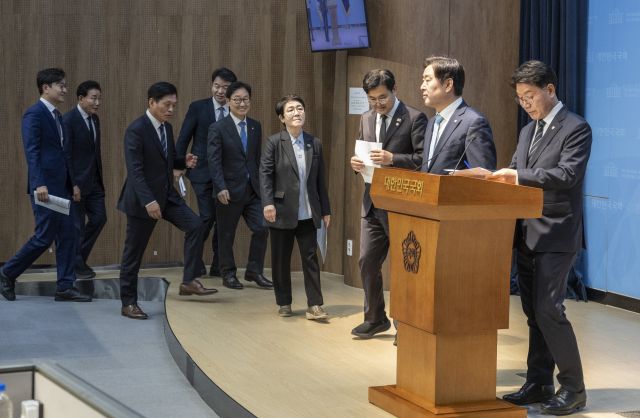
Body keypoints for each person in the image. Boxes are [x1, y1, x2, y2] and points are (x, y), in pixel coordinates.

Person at [492, 60, 590, 415]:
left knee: (550, 310)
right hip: (526, 232)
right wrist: (494, 177)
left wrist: (517, 176)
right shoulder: (527, 131)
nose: (525, 103)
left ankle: (574, 389)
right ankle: (539, 382)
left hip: (556, 233)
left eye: (530, 96)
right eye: (520, 98)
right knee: (533, 312)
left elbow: (567, 174)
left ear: (550, 90)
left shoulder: (576, 127)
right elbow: (516, 169)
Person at [117, 82, 216, 320]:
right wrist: (149, 201)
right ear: (151, 102)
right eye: (166, 104)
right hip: (144, 200)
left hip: (166, 195)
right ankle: (128, 303)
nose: (171, 109)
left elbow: (168, 159)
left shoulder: (166, 128)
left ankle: (189, 280)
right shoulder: (136, 130)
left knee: (196, 225)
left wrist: (183, 161)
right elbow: (136, 171)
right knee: (134, 253)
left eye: (174, 105)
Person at [0, 68, 91, 302]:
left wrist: (73, 184)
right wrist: (39, 183)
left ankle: (65, 287)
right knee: (44, 236)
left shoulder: (58, 116)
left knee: (68, 234)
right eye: (61, 85)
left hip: (61, 188)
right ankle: (7, 273)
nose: (65, 90)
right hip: (45, 189)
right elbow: (32, 151)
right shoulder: (34, 114)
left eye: (65, 85)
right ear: (45, 87)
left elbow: (64, 153)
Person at [349, 69, 427, 339]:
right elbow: (363, 154)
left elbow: (423, 160)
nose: (377, 104)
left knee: (405, 268)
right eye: (372, 99)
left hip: (402, 204)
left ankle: (405, 326)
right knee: (367, 261)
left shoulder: (415, 118)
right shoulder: (366, 117)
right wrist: (356, 164)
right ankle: (375, 318)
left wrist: (393, 158)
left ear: (395, 90)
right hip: (372, 202)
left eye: (382, 97)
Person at [260, 95, 331, 320]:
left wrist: (325, 209)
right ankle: (284, 302)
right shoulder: (274, 142)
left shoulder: (314, 142)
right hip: (281, 210)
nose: (297, 113)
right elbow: (265, 174)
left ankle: (315, 305)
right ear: (282, 118)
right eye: (290, 110)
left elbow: (320, 179)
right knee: (281, 260)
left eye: (300, 108)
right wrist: (268, 203)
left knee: (310, 259)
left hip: (308, 212)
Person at [207, 81, 272, 290]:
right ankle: (228, 274)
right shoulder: (218, 128)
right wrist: (220, 187)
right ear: (228, 101)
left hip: (252, 190)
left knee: (262, 227)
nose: (242, 104)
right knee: (226, 235)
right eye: (237, 100)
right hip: (228, 191)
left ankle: (254, 271)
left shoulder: (255, 126)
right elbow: (214, 161)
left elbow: (256, 158)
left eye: (245, 99)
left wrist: (263, 187)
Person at [175, 67, 237, 278]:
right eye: (216, 86)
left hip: (227, 176)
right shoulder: (198, 107)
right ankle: (194, 260)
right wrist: (178, 164)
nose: (220, 91)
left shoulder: (236, 110)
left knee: (223, 221)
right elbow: (184, 137)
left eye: (225, 87)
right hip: (202, 172)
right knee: (208, 216)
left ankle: (219, 265)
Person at [420, 56, 496, 174]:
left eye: (428, 80)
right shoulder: (432, 122)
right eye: (423, 80)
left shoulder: (474, 122)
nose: (422, 87)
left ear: (448, 85)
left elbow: (483, 174)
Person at [63, 80, 106, 280]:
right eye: (93, 98)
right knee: (77, 227)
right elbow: (67, 155)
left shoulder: (95, 119)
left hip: (95, 181)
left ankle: (78, 259)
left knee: (99, 218)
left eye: (99, 98)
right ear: (81, 98)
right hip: (77, 183)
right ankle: (76, 264)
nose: (97, 103)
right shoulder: (68, 120)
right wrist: (73, 183)